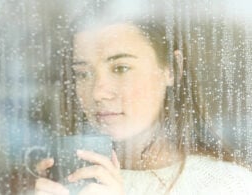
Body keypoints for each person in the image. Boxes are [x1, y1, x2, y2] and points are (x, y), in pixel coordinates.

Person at [33, 4, 252, 195]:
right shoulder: (73, 179)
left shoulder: (227, 185)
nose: (98, 93)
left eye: (121, 68)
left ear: (172, 69)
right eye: (83, 74)